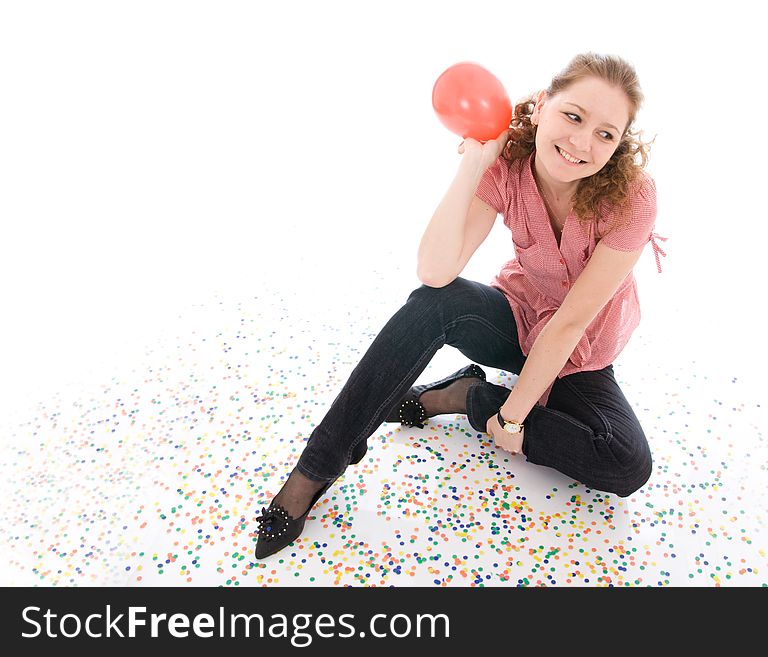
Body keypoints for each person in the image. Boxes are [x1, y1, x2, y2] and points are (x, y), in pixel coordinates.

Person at [254, 52, 666, 559]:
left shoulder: (632, 198)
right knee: (435, 303)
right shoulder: (510, 166)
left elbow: (572, 322)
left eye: (606, 134)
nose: (583, 142)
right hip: (517, 321)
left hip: (579, 351)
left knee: (626, 463)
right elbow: (435, 271)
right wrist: (475, 162)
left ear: (618, 144)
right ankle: (315, 467)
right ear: (542, 105)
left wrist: (509, 418)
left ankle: (467, 396)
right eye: (573, 116)